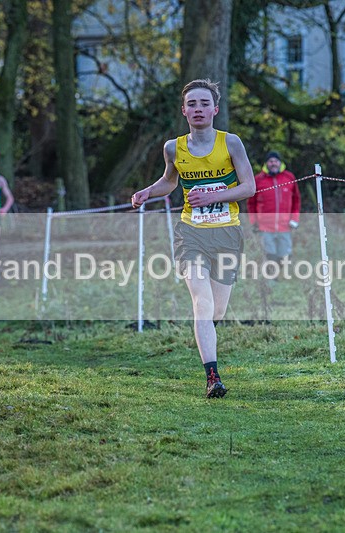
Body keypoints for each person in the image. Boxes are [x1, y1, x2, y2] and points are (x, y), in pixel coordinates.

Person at [131, 79, 256, 398]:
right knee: (202, 301)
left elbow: (249, 187)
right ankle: (212, 377)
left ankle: (207, 342)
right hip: (191, 233)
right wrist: (148, 191)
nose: (198, 108)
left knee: (216, 311)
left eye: (204, 103)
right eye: (192, 104)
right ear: (184, 111)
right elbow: (168, 181)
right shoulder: (173, 148)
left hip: (227, 232)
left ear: (215, 109)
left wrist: (215, 197)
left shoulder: (231, 143)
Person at [247, 151, 301, 267]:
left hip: (285, 225)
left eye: (276, 161)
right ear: (266, 163)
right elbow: (251, 203)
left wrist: (295, 219)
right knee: (269, 256)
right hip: (265, 226)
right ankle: (271, 275)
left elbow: (296, 200)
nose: (273, 163)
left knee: (285, 256)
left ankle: (283, 275)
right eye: (270, 161)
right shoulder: (258, 179)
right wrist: (254, 221)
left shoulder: (289, 177)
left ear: (280, 163)